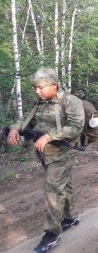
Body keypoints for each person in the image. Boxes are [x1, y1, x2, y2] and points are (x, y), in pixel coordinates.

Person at [7, 67, 85, 253]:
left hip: (63, 153)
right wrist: (15, 128)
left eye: (40, 87)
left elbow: (76, 127)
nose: (37, 91)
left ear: (54, 85)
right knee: (64, 186)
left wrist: (49, 136)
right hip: (45, 153)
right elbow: (28, 121)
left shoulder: (70, 101)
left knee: (52, 191)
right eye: (35, 87)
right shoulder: (40, 103)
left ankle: (52, 234)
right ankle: (71, 217)